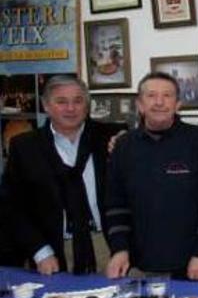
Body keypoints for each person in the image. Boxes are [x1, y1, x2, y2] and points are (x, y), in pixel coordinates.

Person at [105, 72, 198, 280]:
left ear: (178, 104)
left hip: (194, 263)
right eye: (151, 96)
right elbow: (116, 205)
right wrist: (119, 249)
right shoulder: (124, 146)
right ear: (140, 105)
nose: (159, 102)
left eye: (167, 96)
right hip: (140, 264)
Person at [3, 76, 121, 275]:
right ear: (46, 106)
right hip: (52, 251)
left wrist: (124, 246)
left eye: (78, 101)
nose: (71, 108)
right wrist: (39, 251)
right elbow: (12, 207)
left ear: (87, 105)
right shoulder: (24, 147)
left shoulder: (111, 138)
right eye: (61, 102)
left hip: (107, 246)